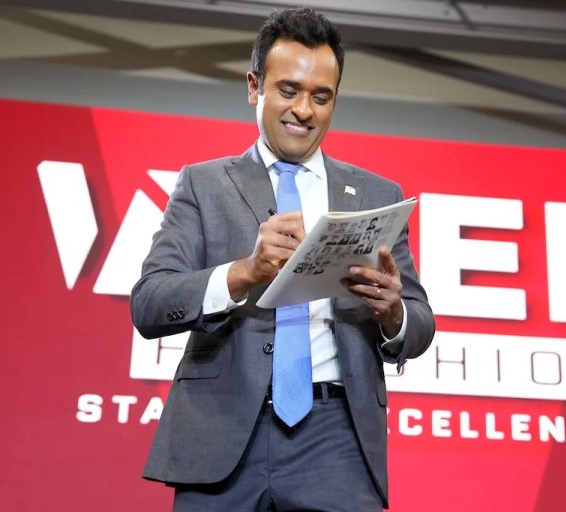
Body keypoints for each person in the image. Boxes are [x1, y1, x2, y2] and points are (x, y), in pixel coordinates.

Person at [130, 7, 435, 511]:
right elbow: (149, 305)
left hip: (336, 439)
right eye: (288, 91)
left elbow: (419, 327)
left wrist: (393, 313)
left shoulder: (375, 195)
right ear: (255, 87)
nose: (304, 111)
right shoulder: (204, 185)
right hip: (222, 432)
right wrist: (243, 274)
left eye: (321, 97)